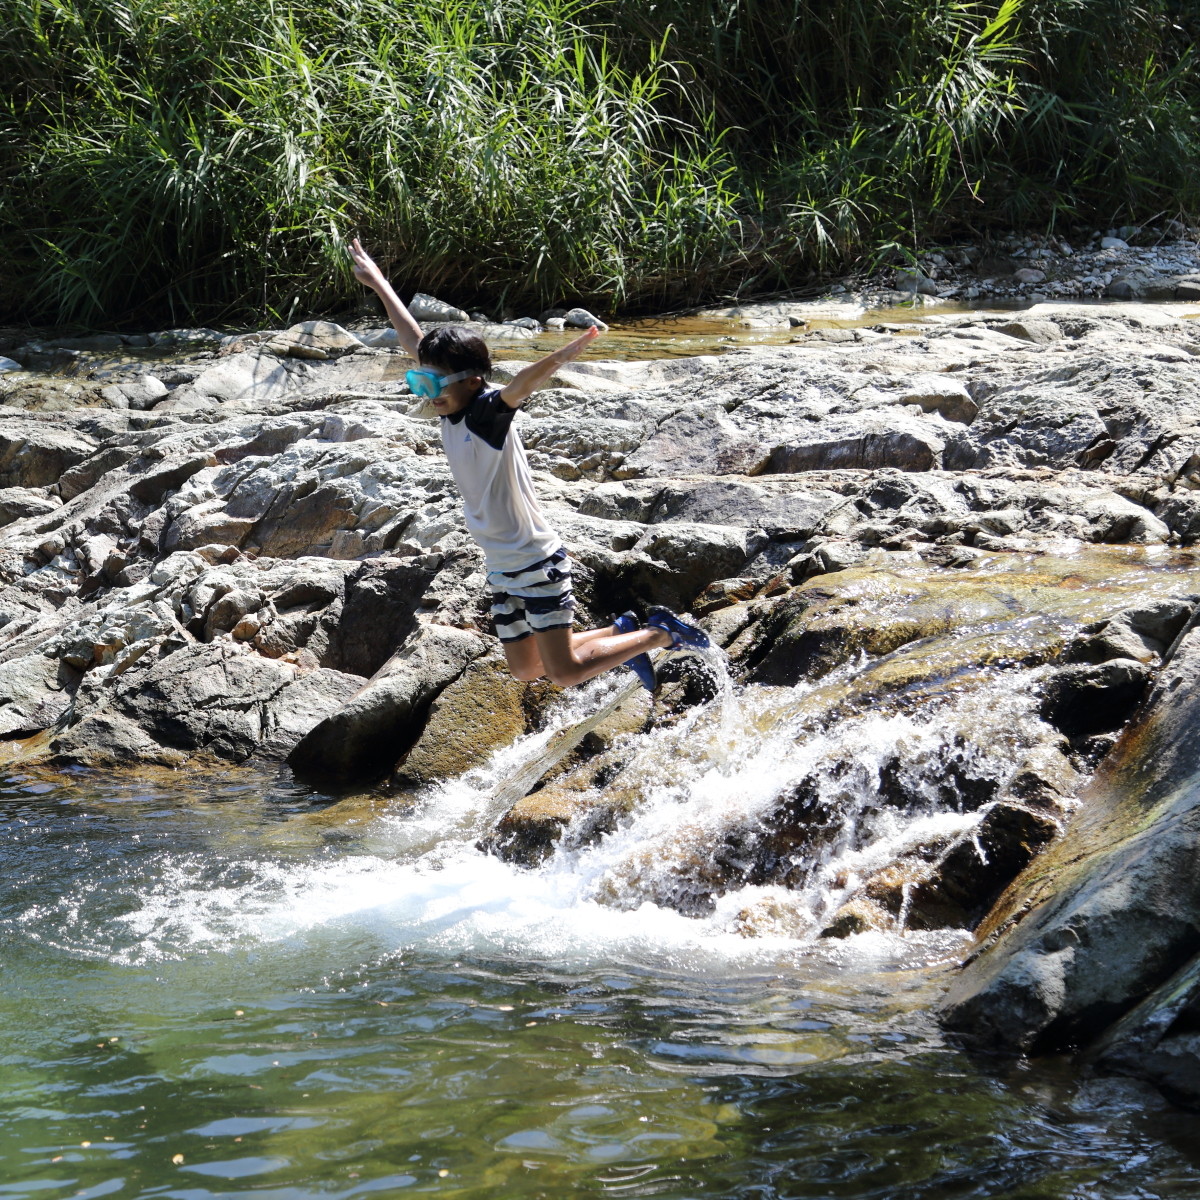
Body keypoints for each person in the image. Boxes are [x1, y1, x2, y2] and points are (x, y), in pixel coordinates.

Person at [348, 237, 710, 692]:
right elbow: (413, 339)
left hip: (536, 561)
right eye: (421, 380)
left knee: (563, 673)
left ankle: (661, 632)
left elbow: (518, 386)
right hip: (502, 565)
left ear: (474, 380)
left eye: (436, 382)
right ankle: (622, 633)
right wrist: (380, 283)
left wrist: (561, 355)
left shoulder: (486, 415)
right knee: (525, 668)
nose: (428, 391)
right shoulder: (452, 403)